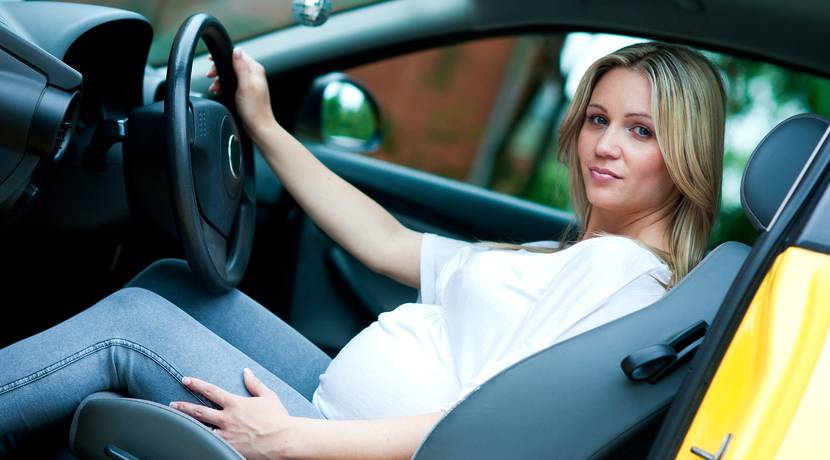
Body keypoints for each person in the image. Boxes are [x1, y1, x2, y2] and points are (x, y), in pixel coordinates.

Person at [0, 41, 725, 458]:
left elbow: (490, 428)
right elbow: (387, 244)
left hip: (328, 447)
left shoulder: (622, 276)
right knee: (172, 284)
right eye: (598, 118)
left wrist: (289, 443)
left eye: (641, 130)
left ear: (685, 151)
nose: (603, 144)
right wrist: (265, 126)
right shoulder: (573, 252)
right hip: (331, 418)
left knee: (135, 324)